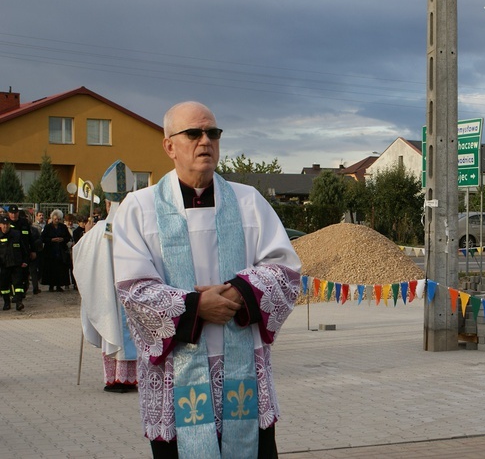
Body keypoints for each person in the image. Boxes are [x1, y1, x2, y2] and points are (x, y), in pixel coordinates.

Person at [113, 101, 301, 458]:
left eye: (213, 133)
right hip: (178, 368)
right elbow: (134, 289)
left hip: (241, 368)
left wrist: (240, 293)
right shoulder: (138, 208)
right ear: (169, 146)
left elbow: (286, 270)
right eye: (194, 133)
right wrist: (197, 307)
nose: (206, 141)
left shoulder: (249, 201)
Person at [75, 160, 138, 393]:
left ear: (109, 200)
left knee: (115, 328)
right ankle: (133, 378)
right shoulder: (137, 225)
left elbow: (80, 256)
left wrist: (86, 237)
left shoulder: (100, 229)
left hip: (110, 292)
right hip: (133, 291)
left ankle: (115, 379)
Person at [0, 215, 29, 311]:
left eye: (7, 224)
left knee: (18, 284)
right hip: (4, 265)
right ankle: (7, 302)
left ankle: (19, 302)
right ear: (0, 225)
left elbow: (24, 249)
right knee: (4, 286)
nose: (5, 226)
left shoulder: (16, 234)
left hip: (17, 263)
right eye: (3, 224)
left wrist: (25, 261)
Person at [40, 209, 71, 291]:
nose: (56, 221)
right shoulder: (47, 227)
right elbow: (42, 238)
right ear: (52, 219)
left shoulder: (63, 227)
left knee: (60, 269)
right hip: (50, 251)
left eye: (58, 219)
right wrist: (51, 240)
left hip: (60, 251)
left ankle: (59, 285)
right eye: (55, 219)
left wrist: (63, 239)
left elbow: (68, 237)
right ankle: (51, 285)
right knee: (51, 268)